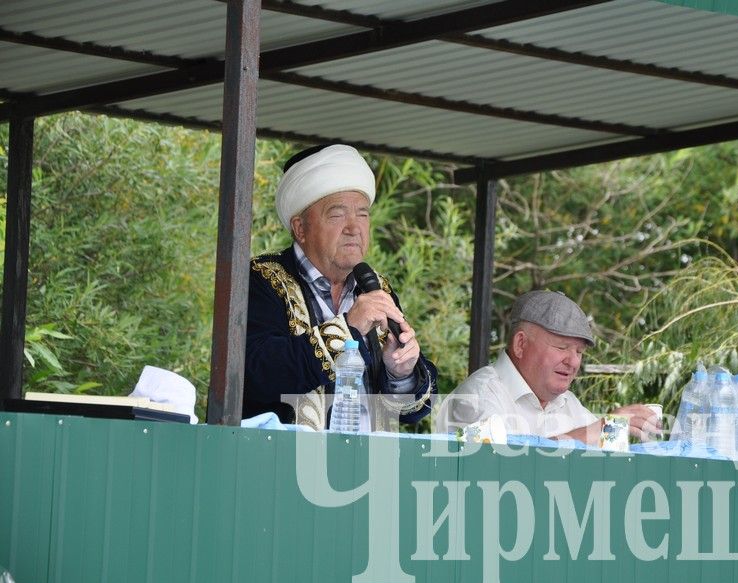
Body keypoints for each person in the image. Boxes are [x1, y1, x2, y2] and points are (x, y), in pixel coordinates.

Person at [243, 144, 437, 430]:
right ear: (300, 228)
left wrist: (401, 371)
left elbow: (409, 412)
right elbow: (257, 373)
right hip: (277, 464)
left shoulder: (375, 288)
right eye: (337, 215)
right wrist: (348, 328)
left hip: (366, 466)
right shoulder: (261, 279)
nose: (353, 227)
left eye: (362, 214)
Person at [435, 290, 659, 445]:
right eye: (562, 347)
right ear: (521, 344)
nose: (573, 362)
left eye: (579, 352)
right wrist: (601, 429)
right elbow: (501, 473)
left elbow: (601, 454)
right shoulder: (478, 396)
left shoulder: (569, 404)